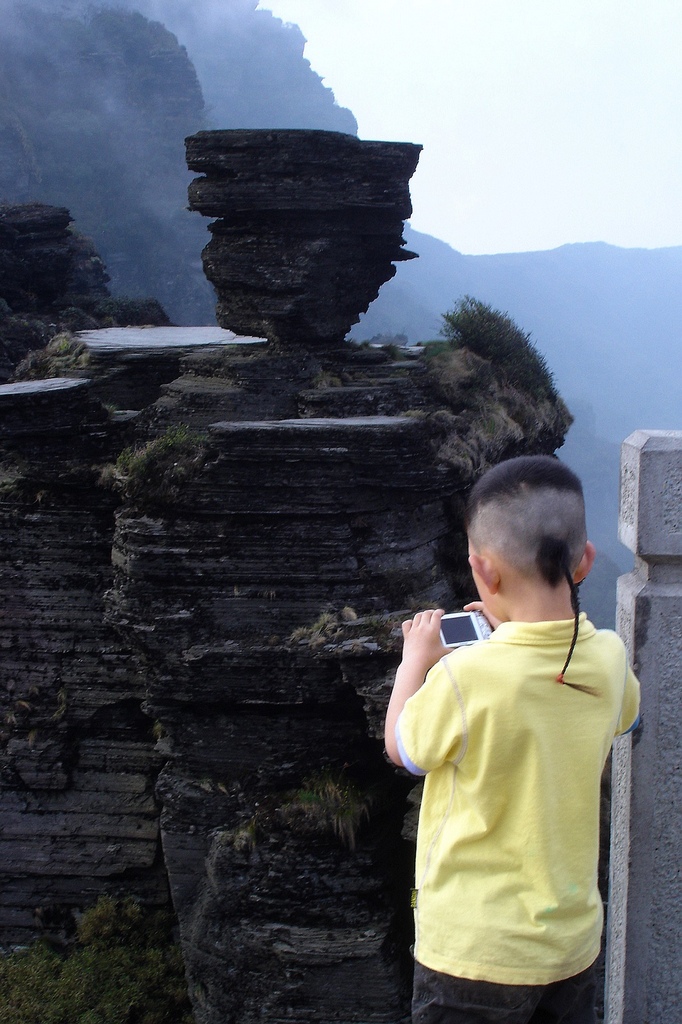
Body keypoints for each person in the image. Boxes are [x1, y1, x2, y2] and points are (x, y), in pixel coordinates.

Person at [384, 455, 640, 1024]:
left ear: (484, 571)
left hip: (473, 953)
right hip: (571, 947)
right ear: (586, 562)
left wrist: (414, 663)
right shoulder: (609, 658)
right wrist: (510, 635)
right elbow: (621, 716)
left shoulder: (464, 676)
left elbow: (403, 749)